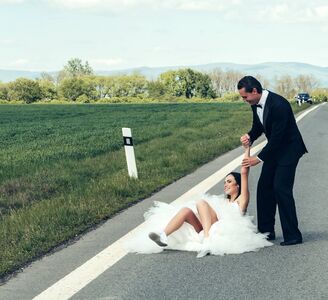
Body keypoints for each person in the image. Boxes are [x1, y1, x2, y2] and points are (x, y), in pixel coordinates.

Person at [124, 147, 271, 258]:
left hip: (221, 233)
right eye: (225, 182)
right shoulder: (222, 201)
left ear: (237, 185)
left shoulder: (241, 200)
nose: (225, 184)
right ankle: (163, 235)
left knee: (201, 202)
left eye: (229, 182)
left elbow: (244, 172)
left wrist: (247, 148)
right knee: (186, 211)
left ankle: (207, 240)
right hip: (207, 229)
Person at [238, 75, 307, 246]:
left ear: (254, 91)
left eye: (245, 97)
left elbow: (277, 138)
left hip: (289, 150)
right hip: (275, 150)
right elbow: (258, 127)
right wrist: (250, 136)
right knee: (264, 188)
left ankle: (293, 235)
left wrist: (258, 158)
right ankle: (266, 232)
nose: (244, 100)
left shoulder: (279, 105)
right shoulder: (255, 103)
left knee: (281, 189)